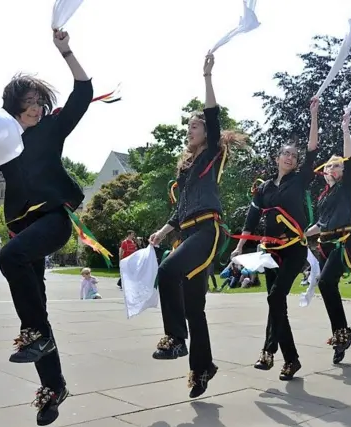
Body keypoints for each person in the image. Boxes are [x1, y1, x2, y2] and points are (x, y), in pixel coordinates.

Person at [0, 30, 91, 426]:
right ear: (14, 107)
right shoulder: (5, 141)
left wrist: (66, 50)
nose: (34, 109)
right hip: (21, 229)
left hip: (53, 220)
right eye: (27, 104)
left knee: (12, 261)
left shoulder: (52, 129)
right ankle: (54, 386)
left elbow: (83, 91)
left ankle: (36, 334)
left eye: (37, 103)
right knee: (37, 313)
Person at [148, 53, 247, 399]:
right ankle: (202, 368)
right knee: (194, 308)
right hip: (187, 232)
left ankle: (175, 338)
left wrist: (207, 77)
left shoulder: (210, 156)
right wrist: (163, 231)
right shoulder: (186, 170)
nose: (189, 130)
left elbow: (213, 116)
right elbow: (179, 213)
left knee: (168, 270)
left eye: (195, 125)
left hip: (208, 230)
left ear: (207, 133)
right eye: (188, 126)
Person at [232, 97, 320, 380]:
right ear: (277, 158)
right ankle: (272, 353)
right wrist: (240, 245)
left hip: (294, 249)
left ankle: (284, 356)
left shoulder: (300, 179)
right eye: (286, 154)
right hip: (269, 252)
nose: (290, 158)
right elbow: (251, 217)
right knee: (275, 302)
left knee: (274, 296)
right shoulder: (265, 187)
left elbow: (313, 149)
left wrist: (314, 115)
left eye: (294, 156)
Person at [304, 111, 351, 364]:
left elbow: (349, 157)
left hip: (342, 240)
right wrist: (303, 233)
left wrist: (345, 129)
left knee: (325, 283)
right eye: (328, 166)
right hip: (324, 243)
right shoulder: (323, 196)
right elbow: (320, 224)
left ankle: (341, 334)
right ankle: (343, 332)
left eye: (336, 165)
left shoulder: (347, 186)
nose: (332, 168)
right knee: (328, 287)